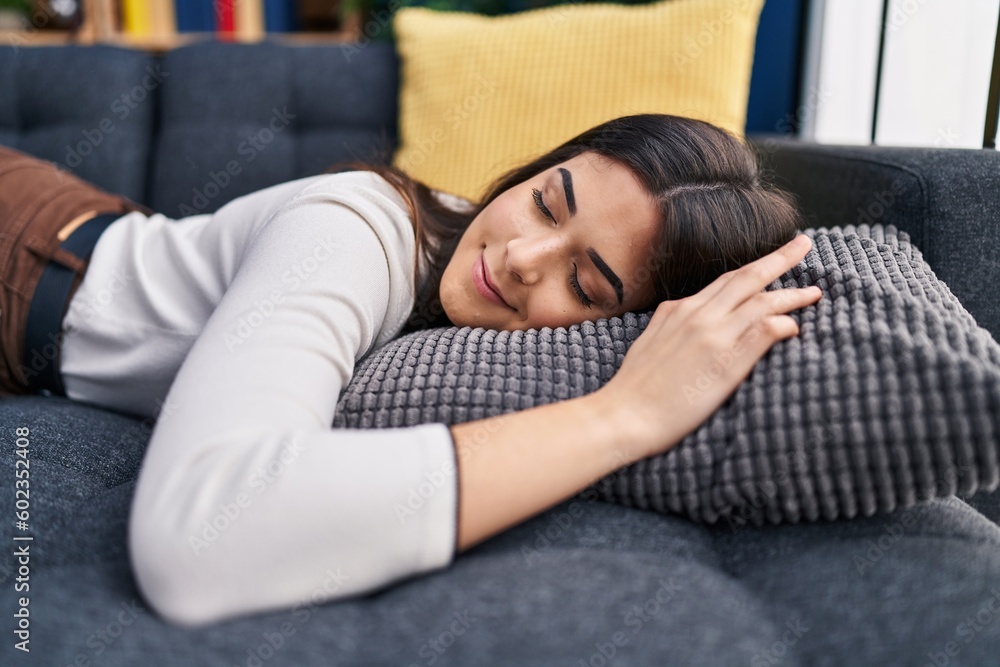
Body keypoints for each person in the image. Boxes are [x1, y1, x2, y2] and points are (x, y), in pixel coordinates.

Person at [0, 113, 821, 626]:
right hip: (26, 261)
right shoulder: (354, 228)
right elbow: (197, 538)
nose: (523, 257)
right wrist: (623, 415)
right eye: (545, 199)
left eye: (586, 280)